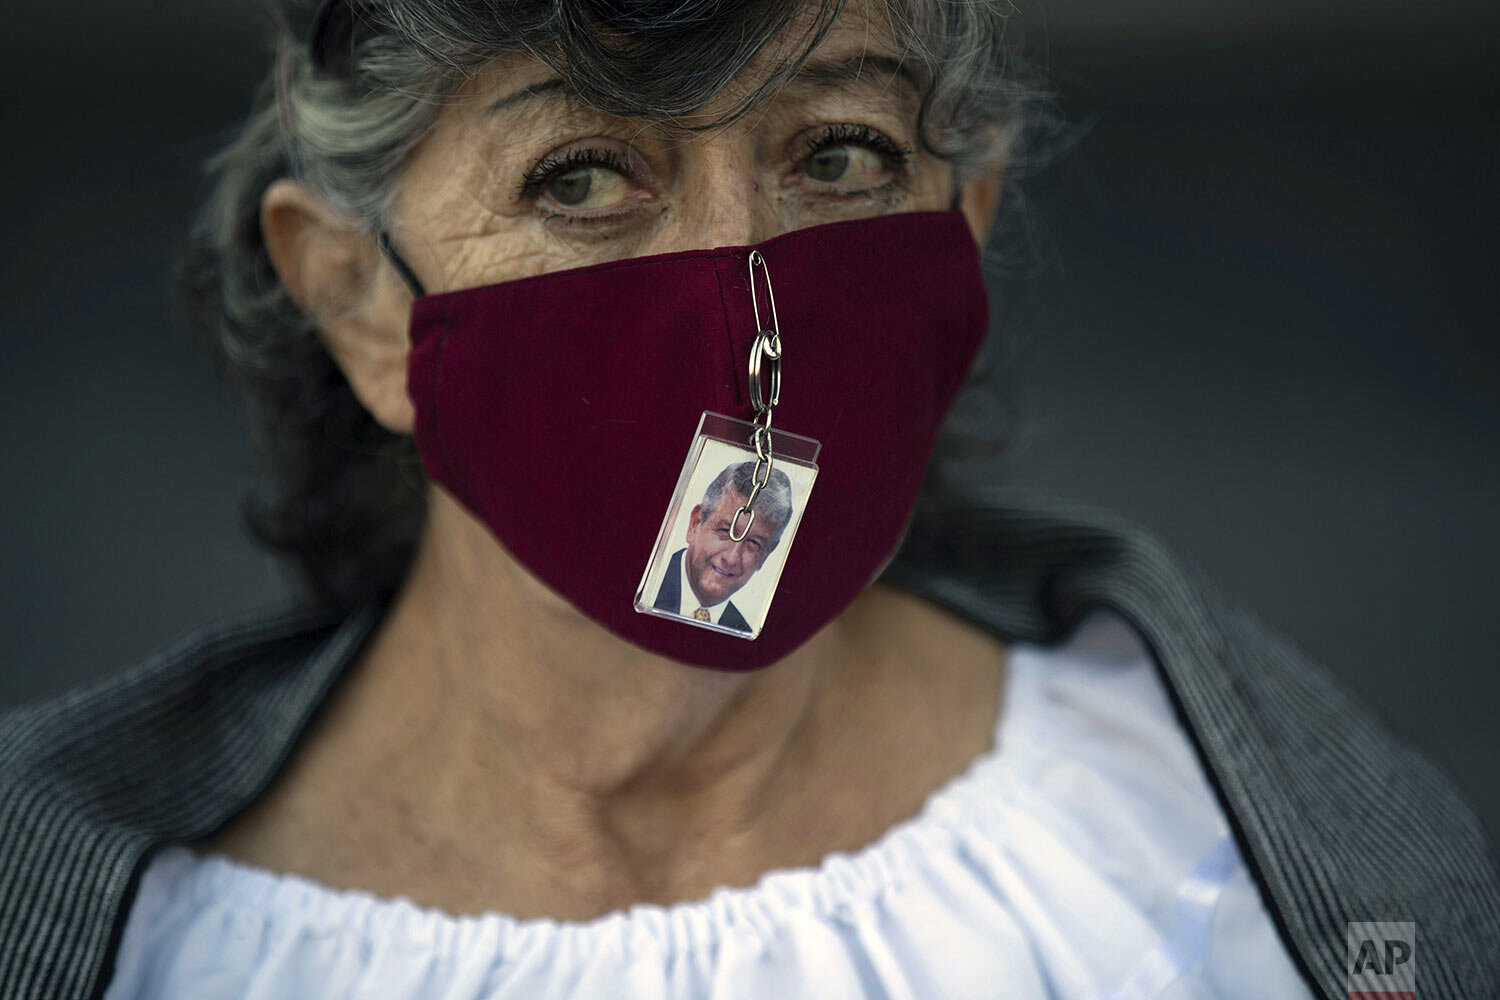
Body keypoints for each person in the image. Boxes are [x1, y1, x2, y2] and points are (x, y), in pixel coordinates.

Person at [0, 0, 1495, 998]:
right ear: (360, 304)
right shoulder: (148, 943)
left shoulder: (1207, 848)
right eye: (582, 175)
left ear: (962, 226)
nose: (743, 299)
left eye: (837, 152)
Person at [652, 461, 795, 633]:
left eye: (753, 543)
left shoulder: (746, 636)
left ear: (766, 555)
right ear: (695, 524)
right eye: (725, 530)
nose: (732, 558)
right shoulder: (645, 586)